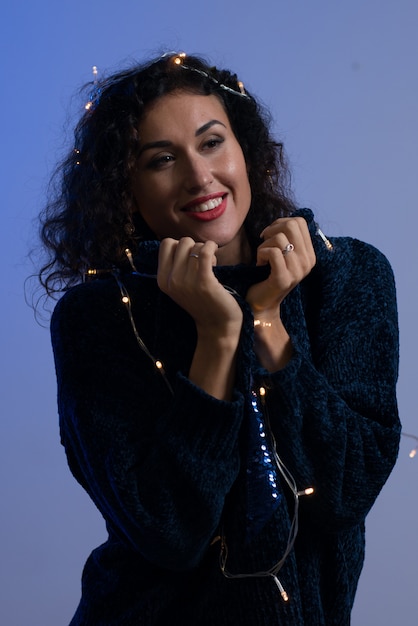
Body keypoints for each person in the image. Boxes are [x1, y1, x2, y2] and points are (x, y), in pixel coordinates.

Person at [38, 52, 401, 625]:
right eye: (161, 159)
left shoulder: (348, 276)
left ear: (245, 150)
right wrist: (215, 336)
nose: (199, 177)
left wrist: (268, 324)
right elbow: (168, 532)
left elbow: (346, 491)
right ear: (125, 188)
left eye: (212, 143)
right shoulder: (100, 316)